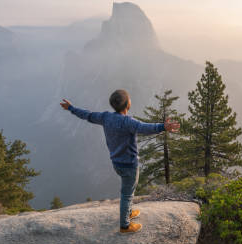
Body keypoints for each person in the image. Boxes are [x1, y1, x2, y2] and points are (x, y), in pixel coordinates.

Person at [60, 89, 179, 233]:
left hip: (116, 163)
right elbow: (145, 128)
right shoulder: (128, 122)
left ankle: (127, 212)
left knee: (128, 191)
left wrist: (71, 108)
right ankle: (125, 225)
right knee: (127, 193)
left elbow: (88, 115)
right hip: (129, 165)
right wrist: (163, 127)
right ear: (128, 104)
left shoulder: (105, 117)